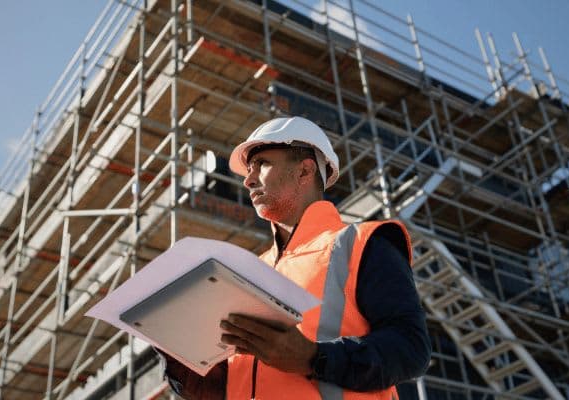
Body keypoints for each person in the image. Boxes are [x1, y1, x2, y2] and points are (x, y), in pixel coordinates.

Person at [159, 116, 430, 399]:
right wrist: (183, 362)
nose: (248, 180)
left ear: (304, 170)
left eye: (262, 164)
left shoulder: (360, 244)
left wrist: (314, 358)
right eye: (249, 170)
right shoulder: (249, 270)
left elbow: (411, 348)